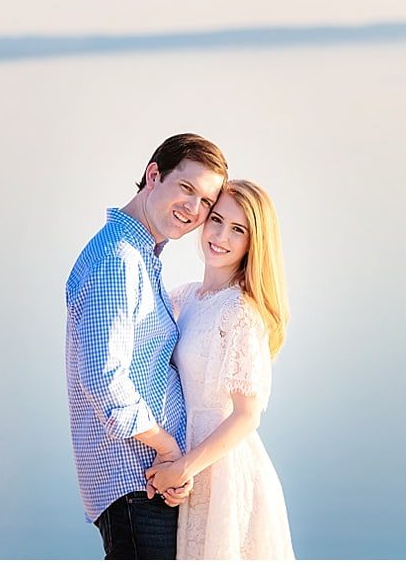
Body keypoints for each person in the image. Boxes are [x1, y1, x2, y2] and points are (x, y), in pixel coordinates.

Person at [65, 133, 227, 559]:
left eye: (207, 202)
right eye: (186, 188)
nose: (194, 210)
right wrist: (167, 447)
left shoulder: (141, 257)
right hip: (135, 483)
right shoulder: (119, 259)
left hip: (150, 483)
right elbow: (103, 378)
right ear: (153, 176)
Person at [145, 180, 295, 559]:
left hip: (225, 471)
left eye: (238, 229)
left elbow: (247, 416)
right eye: (216, 219)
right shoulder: (184, 297)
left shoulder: (240, 313)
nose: (220, 235)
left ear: (252, 243)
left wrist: (182, 468)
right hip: (186, 461)